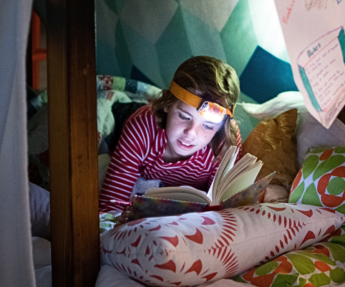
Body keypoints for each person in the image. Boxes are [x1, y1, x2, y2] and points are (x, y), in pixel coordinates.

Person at [99, 56, 242, 213]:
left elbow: (222, 208)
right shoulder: (142, 126)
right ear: (167, 102)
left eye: (208, 126)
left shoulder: (226, 144)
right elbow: (110, 205)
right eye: (184, 116)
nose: (191, 132)